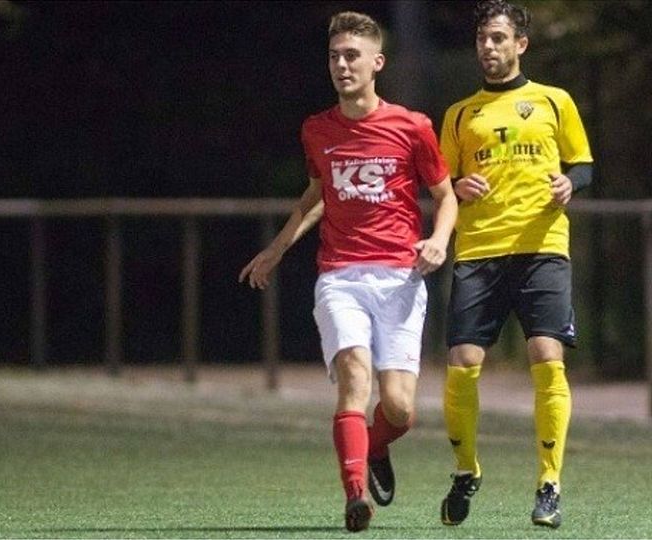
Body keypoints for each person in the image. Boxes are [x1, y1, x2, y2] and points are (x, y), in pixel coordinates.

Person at [239, 11, 457, 532]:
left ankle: (373, 447)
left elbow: (445, 196)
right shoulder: (317, 130)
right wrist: (276, 249)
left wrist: (439, 240)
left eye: (351, 55)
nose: (341, 64)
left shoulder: (413, 126)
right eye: (335, 56)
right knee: (355, 377)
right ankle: (354, 494)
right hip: (339, 276)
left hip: (401, 278)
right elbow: (317, 196)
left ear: (376, 63)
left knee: (400, 410)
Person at [437, 0, 593, 529]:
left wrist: (571, 182)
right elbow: (442, 188)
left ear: (521, 44)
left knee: (547, 355)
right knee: (462, 363)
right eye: (483, 38)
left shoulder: (554, 101)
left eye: (499, 38)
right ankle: (466, 470)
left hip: (542, 245)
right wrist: (456, 186)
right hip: (478, 249)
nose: (489, 47)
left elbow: (584, 165)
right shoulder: (460, 114)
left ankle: (549, 483)